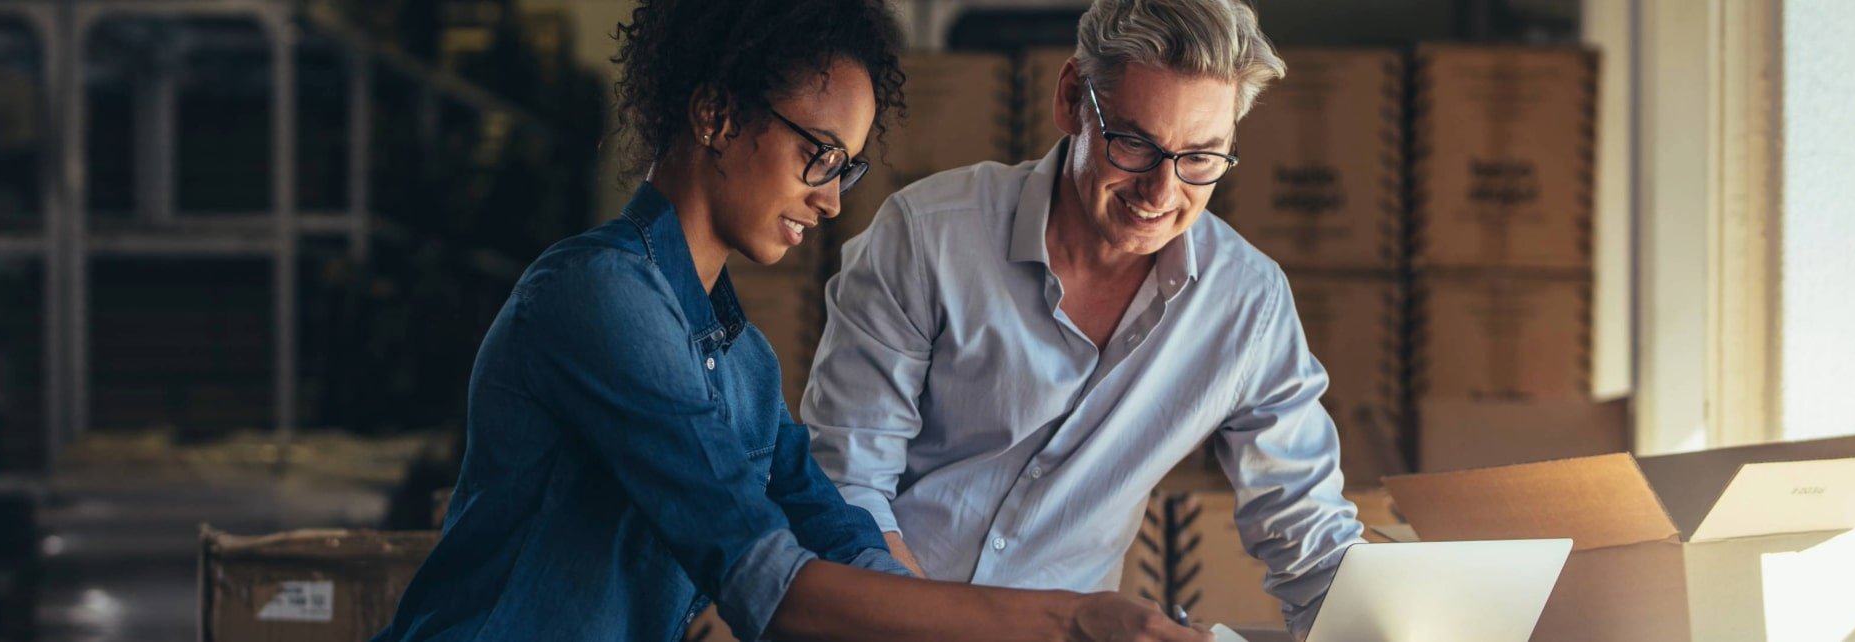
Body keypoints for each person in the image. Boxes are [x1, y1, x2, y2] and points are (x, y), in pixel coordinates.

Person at [372, 1, 1207, 640]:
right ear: (715, 115)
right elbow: (764, 582)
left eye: (848, 167)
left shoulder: (741, 360)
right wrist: (1065, 622)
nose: (832, 196)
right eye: (818, 154)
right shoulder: (597, 298)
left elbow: (834, 532)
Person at [803, 0, 1363, 638]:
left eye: (1201, 159)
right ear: (1072, 99)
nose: (1161, 194)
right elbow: (846, 492)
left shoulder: (1247, 305)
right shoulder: (927, 239)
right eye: (1134, 144)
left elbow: (1310, 540)